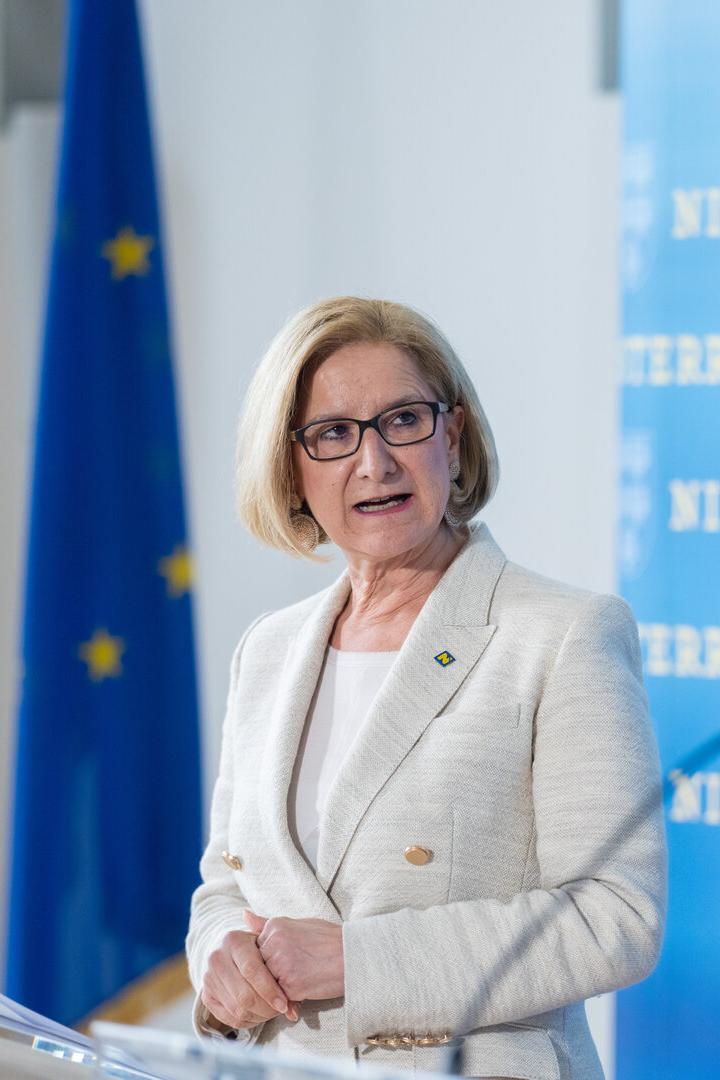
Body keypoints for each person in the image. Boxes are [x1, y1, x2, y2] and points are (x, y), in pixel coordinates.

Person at [185, 296, 667, 1080]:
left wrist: (359, 962)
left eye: (402, 420)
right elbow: (224, 885)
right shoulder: (267, 650)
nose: (373, 462)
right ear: (291, 468)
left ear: (455, 434)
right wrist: (219, 957)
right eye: (333, 434)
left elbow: (616, 916)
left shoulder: (563, 634)